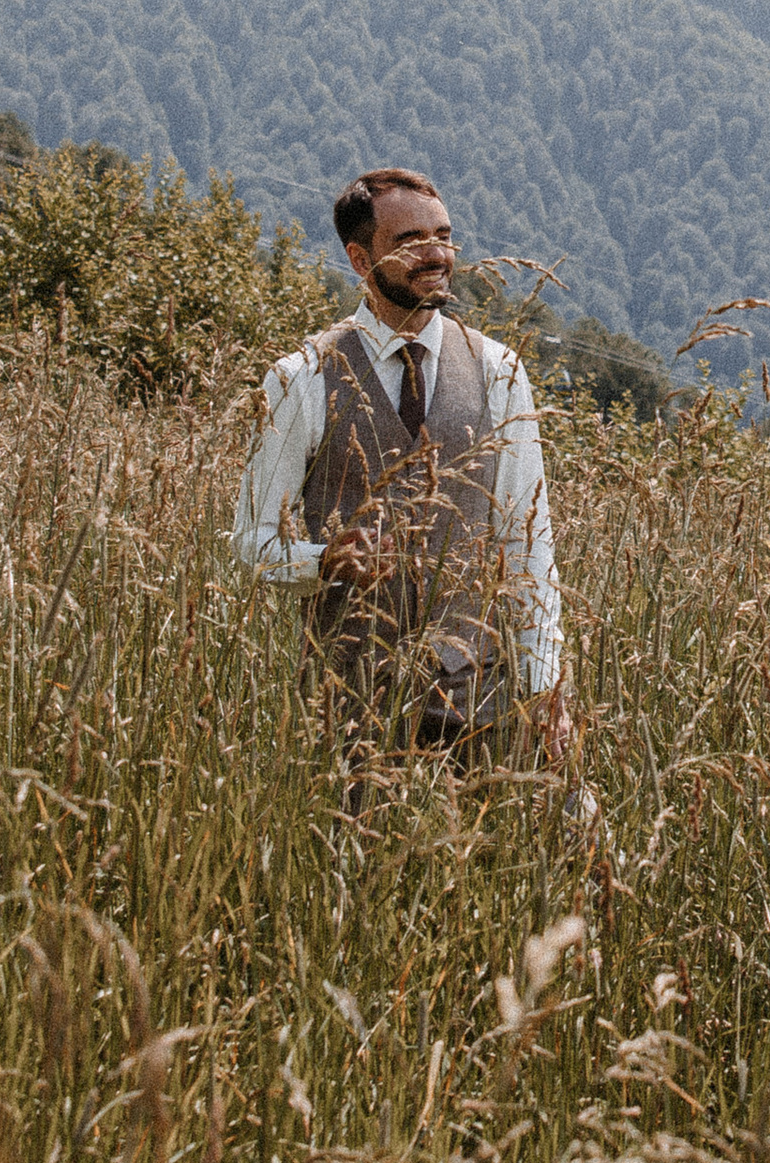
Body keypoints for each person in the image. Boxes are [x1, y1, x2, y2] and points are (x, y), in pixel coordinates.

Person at [234, 164, 568, 764]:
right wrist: (324, 560)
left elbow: (528, 543)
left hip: (480, 699)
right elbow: (253, 545)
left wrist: (544, 683)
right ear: (362, 261)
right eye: (410, 242)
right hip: (347, 702)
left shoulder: (500, 370)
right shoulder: (300, 379)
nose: (435, 254)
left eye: (442, 235)